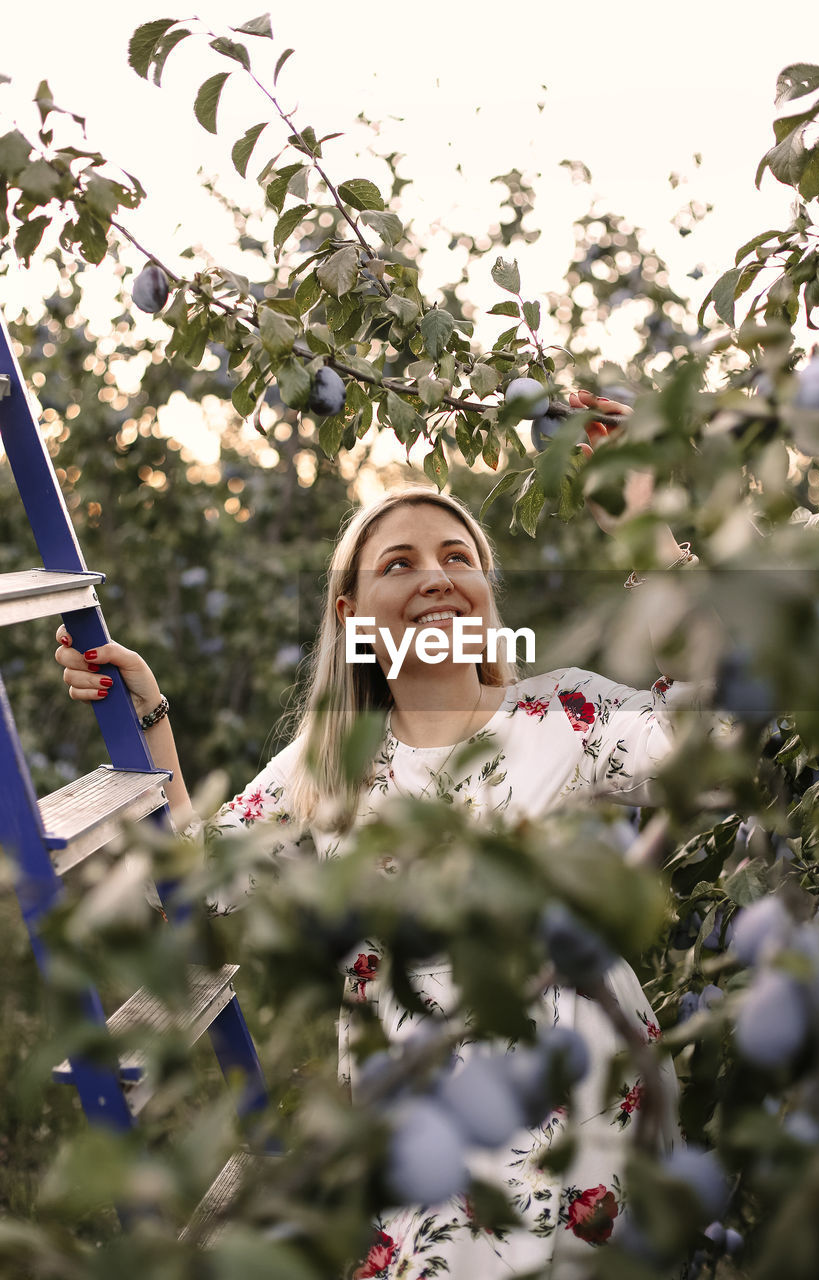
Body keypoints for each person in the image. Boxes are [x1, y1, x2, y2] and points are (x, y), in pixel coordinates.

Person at [55, 391, 699, 1278]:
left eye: (457, 556)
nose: (435, 574)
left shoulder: (560, 713)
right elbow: (190, 887)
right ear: (353, 613)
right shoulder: (322, 773)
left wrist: (650, 527)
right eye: (398, 562)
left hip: (590, 1121)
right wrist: (150, 718)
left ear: (484, 593)